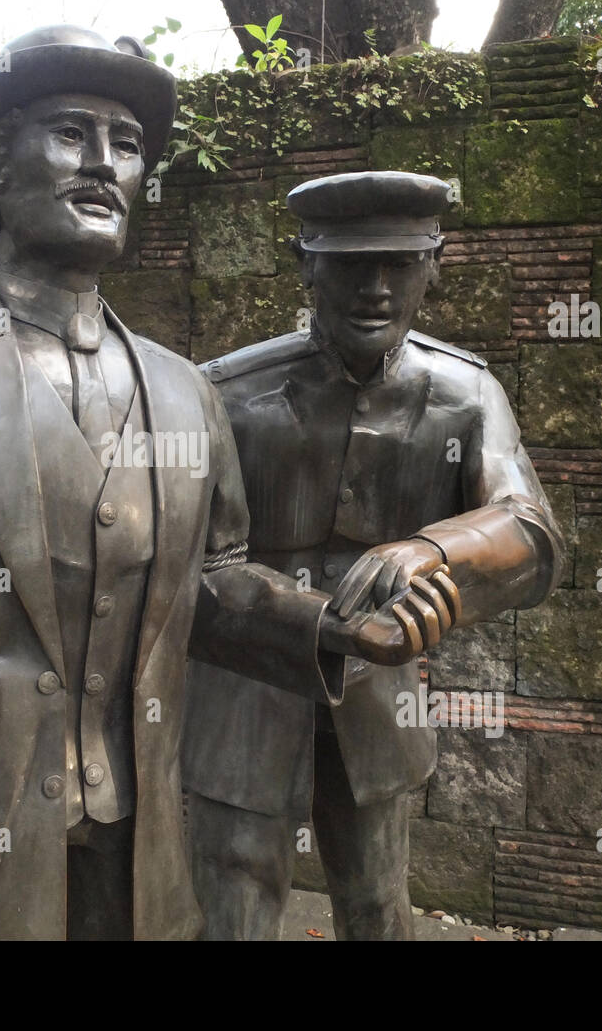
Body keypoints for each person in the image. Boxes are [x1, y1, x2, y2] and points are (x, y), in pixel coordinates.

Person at [0, 29, 456, 941]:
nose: (106, 163)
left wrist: (332, 628)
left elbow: (216, 578)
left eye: (126, 143)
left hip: (142, 849)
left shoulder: (184, 389)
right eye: (71, 132)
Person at [182, 171, 566, 940]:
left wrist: (434, 550)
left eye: (400, 263)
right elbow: (182, 569)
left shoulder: (464, 394)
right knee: (235, 899)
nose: (377, 288)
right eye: (353, 266)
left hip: (379, 703)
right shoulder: (224, 394)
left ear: (436, 262)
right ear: (306, 264)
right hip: (243, 697)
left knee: (377, 899)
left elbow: (533, 534)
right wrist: (320, 624)